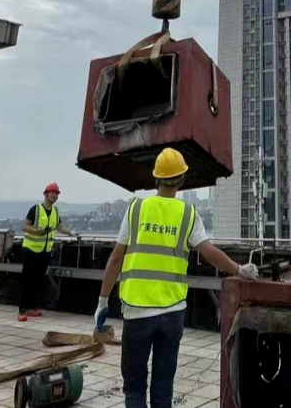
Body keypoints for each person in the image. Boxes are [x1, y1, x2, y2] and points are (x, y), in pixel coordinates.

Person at [93, 148, 258, 408]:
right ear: (182, 180)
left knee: (134, 387)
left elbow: (115, 258)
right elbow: (210, 252)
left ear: (156, 178)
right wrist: (239, 269)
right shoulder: (188, 214)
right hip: (172, 314)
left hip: (137, 313)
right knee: (162, 388)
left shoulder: (135, 209)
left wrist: (103, 302)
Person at [19, 183, 78, 322]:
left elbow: (59, 227)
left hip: (45, 251)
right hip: (31, 250)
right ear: (46, 194)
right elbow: (25, 226)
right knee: (27, 280)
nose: (54, 195)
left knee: (38, 280)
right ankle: (22, 309)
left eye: (56, 193)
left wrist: (70, 232)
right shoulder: (36, 209)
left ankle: (31, 308)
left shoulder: (55, 211)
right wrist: (37, 232)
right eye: (52, 193)